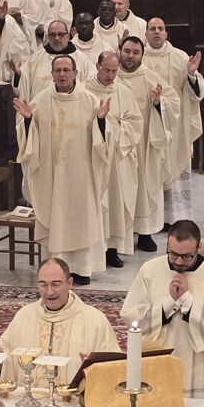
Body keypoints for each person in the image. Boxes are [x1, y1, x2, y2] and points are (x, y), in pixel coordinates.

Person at [15, 54, 112, 280]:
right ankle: (55, 268)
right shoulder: (41, 100)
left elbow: (104, 141)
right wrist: (28, 120)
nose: (62, 75)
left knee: (82, 218)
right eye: (58, 70)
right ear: (51, 74)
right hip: (52, 175)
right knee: (55, 215)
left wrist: (100, 121)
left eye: (67, 70)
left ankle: (82, 269)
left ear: (76, 73)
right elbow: (29, 140)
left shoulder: (89, 100)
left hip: (82, 174)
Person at [120, 220, 204, 399]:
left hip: (202, 366)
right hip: (159, 361)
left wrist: (187, 300)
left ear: (199, 247)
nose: (178, 261)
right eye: (173, 254)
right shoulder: (150, 270)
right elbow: (131, 316)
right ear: (167, 244)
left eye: (186, 256)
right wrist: (169, 303)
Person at [0, 258, 118, 388]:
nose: (49, 292)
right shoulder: (24, 316)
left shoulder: (95, 320)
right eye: (43, 284)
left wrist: (93, 366)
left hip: (74, 399)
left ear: (69, 283)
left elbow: (115, 365)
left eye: (55, 284)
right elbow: (7, 357)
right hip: (30, 398)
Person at [115, 37, 177, 253]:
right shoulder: (111, 76)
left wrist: (159, 103)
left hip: (144, 145)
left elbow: (173, 103)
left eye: (135, 52)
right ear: (120, 50)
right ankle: (118, 236)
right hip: (118, 146)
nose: (130, 56)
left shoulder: (150, 77)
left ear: (142, 55)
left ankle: (145, 233)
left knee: (144, 187)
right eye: (127, 51)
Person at [144, 18, 204, 224]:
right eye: (152, 29)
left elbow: (198, 93)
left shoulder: (180, 57)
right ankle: (151, 219)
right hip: (150, 124)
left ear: (166, 33)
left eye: (160, 29)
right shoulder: (139, 57)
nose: (156, 32)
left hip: (176, 125)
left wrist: (191, 75)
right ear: (146, 33)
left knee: (175, 165)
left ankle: (175, 217)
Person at [86, 51, 141, 278]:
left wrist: (116, 127)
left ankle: (112, 250)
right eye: (106, 70)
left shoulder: (124, 92)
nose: (110, 76)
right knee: (98, 204)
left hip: (118, 158)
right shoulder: (85, 92)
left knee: (116, 205)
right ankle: (95, 250)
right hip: (95, 160)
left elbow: (136, 123)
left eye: (114, 71)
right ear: (97, 66)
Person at [18, 20, 83, 104]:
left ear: (67, 36)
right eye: (52, 35)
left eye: (60, 34)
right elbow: (23, 87)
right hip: (42, 109)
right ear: (48, 37)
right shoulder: (34, 60)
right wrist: (18, 74)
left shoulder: (82, 59)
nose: (56, 38)